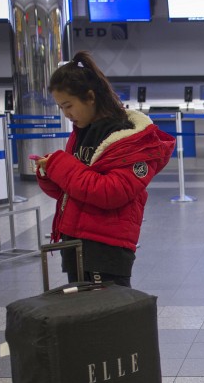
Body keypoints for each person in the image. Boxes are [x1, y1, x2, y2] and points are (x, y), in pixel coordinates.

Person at [34, 51, 175, 287]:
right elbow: (72, 188)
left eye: (69, 105)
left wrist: (59, 165)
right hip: (75, 242)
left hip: (105, 248)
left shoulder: (129, 139)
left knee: (108, 320)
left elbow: (111, 192)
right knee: (84, 318)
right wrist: (49, 174)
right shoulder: (81, 132)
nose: (67, 114)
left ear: (90, 97)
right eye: (61, 108)